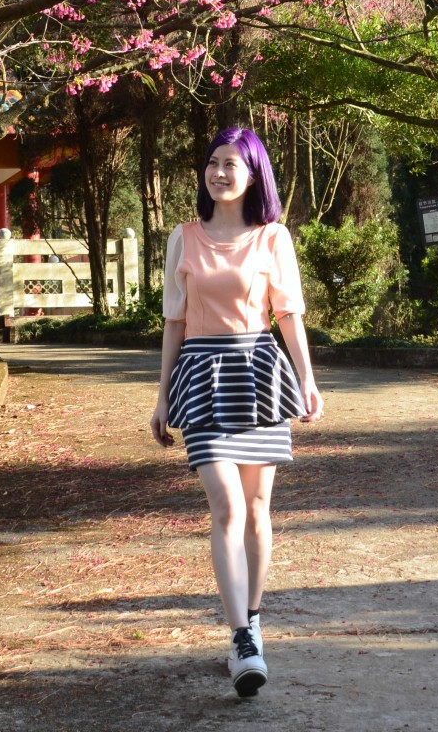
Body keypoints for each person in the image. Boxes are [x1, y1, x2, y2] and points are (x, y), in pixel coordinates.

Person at [150, 125, 324, 698]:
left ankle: (252, 617)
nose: (220, 172)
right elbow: (174, 320)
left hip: (259, 372)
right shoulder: (184, 237)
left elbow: (289, 314)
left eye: (232, 163)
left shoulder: (274, 239)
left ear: (254, 174)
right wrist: (161, 394)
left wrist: (308, 379)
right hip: (202, 374)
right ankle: (241, 637)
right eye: (213, 162)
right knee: (225, 503)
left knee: (255, 507)